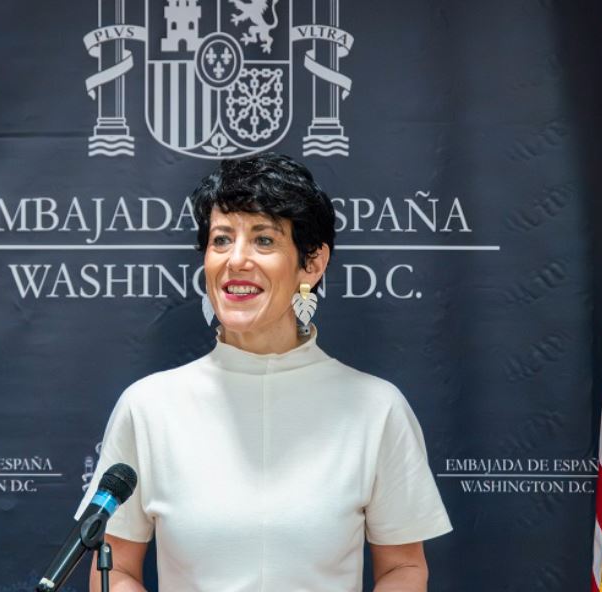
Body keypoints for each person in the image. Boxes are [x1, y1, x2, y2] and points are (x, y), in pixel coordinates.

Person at [77, 153, 451, 592]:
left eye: (264, 241)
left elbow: (403, 569)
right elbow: (115, 569)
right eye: (221, 240)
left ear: (311, 264)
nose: (236, 260)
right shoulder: (147, 407)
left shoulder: (377, 408)